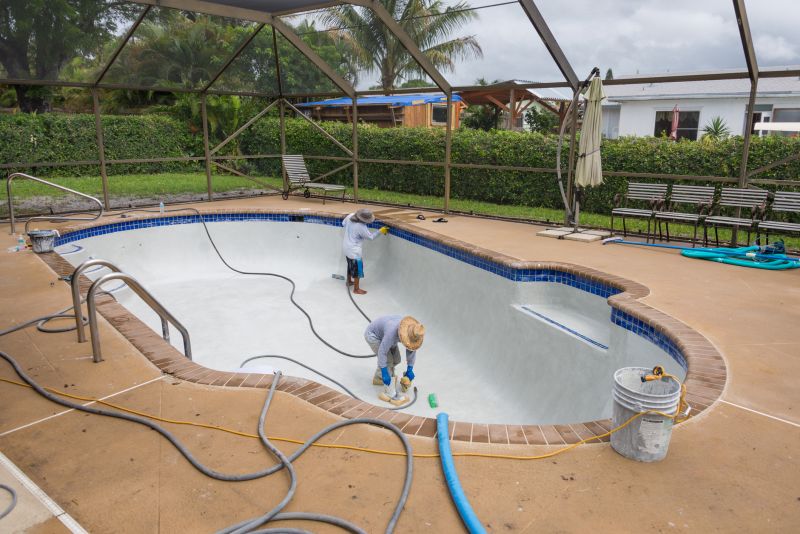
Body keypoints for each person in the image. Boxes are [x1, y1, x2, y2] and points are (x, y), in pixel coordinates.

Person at [364, 315, 424, 402]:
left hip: (388, 338)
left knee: (396, 359)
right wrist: (385, 371)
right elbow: (382, 352)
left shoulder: (412, 331)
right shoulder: (392, 331)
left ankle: (378, 377)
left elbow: (411, 349)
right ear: (404, 335)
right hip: (374, 336)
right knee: (389, 362)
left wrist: (410, 369)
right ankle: (390, 393)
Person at [342, 208, 388, 294]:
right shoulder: (361, 226)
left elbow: (343, 223)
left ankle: (349, 281)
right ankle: (356, 289)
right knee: (358, 269)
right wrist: (380, 231)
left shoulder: (350, 215)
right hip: (354, 251)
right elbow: (371, 237)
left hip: (346, 247)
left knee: (349, 265)